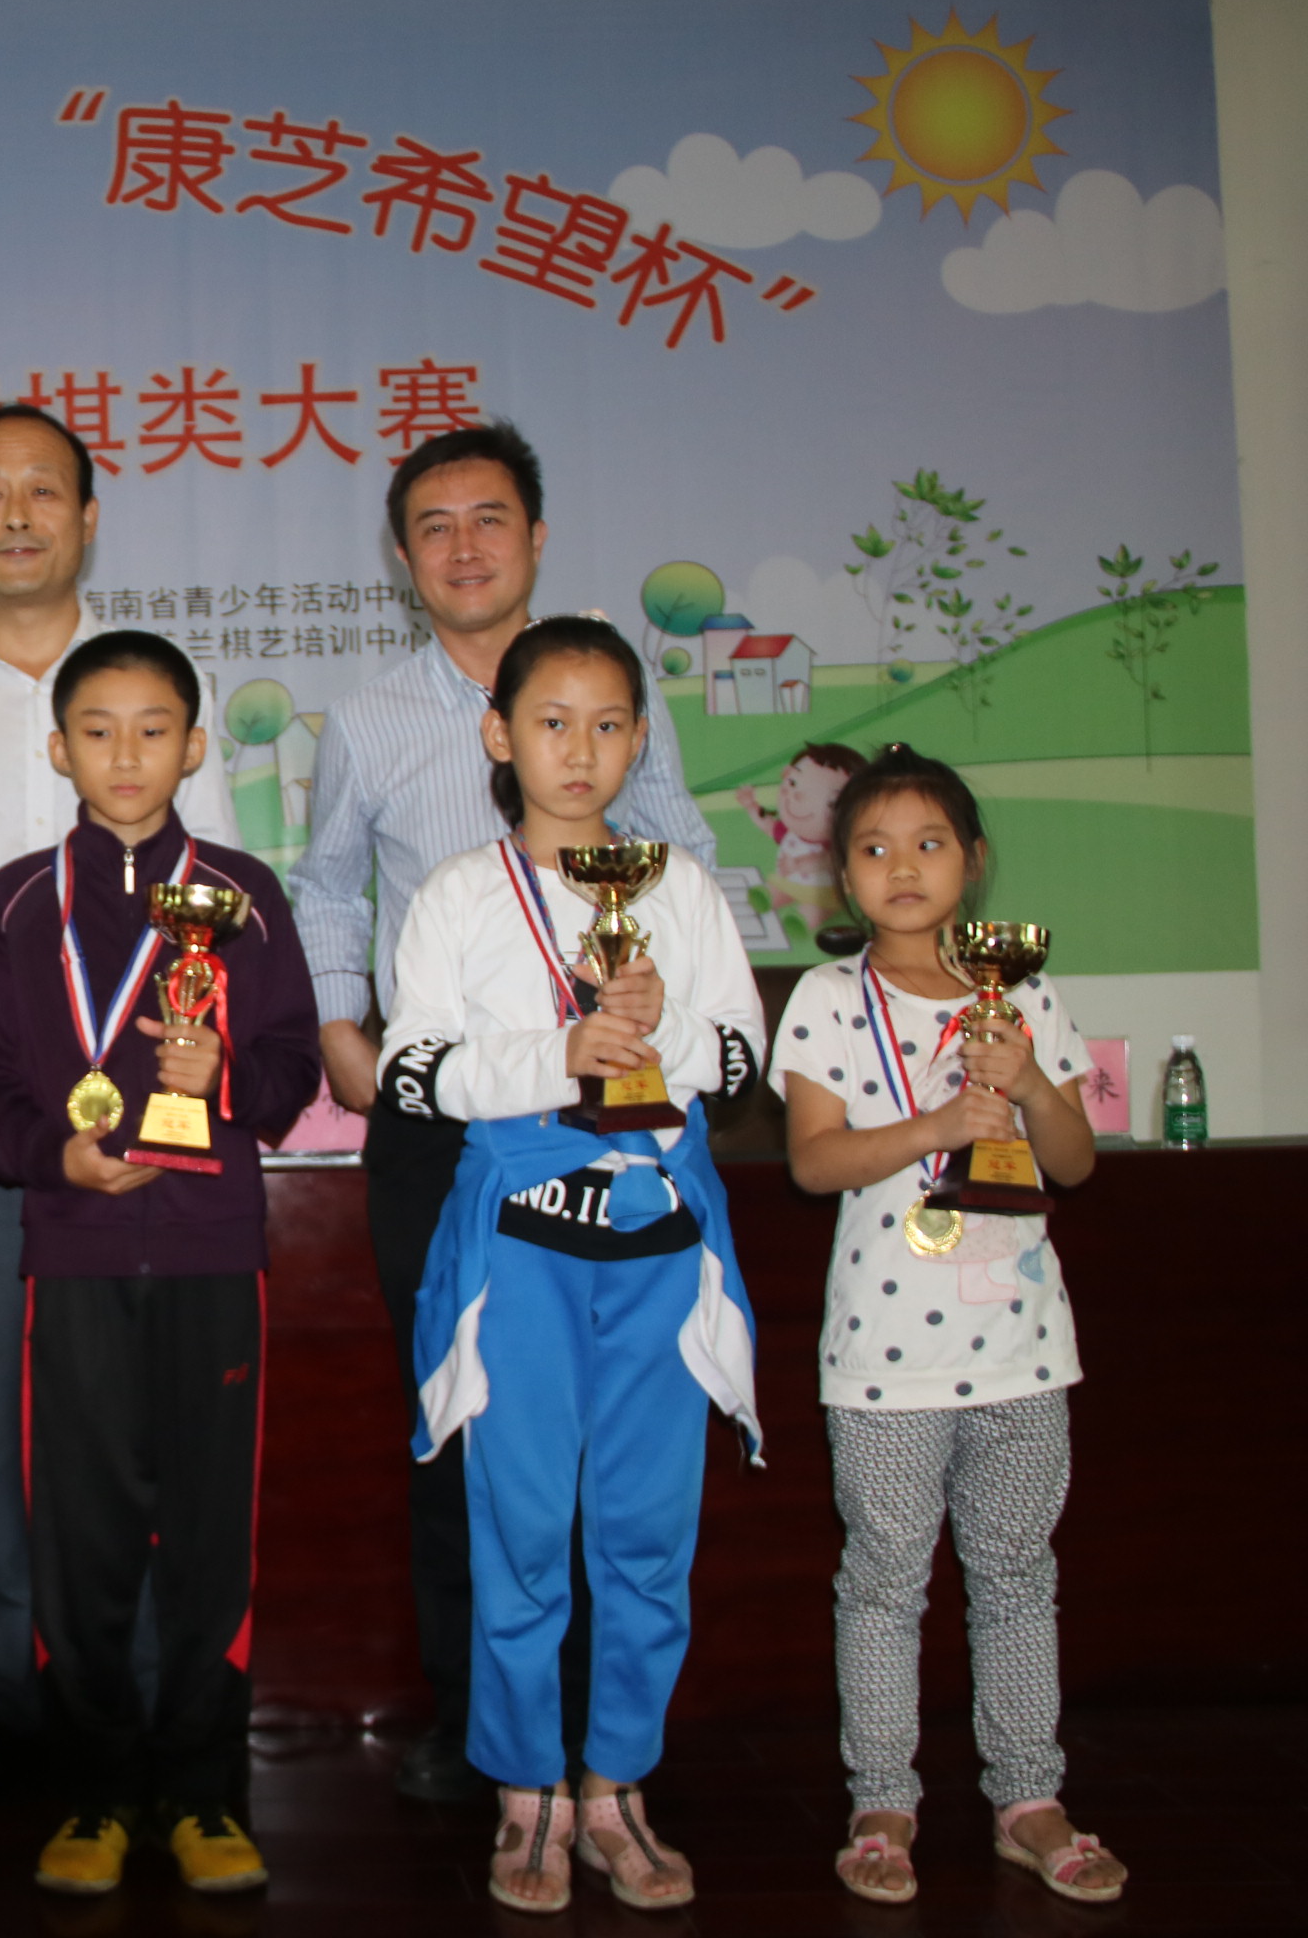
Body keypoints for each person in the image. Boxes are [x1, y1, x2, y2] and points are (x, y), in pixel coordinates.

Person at [286, 422, 717, 1804]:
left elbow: (687, 857)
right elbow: (329, 886)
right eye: (435, 525)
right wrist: (343, 1032)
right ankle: (480, 1721)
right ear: (401, 556)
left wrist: (679, 1013)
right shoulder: (367, 721)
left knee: (618, 1424)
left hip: (618, 1111)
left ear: (536, 537)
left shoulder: (612, 689)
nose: (464, 546)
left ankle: (608, 1732)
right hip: (450, 1119)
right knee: (462, 1413)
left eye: (489, 519)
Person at [0, 403, 241, 1797]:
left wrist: (189, 1057)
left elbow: (218, 879)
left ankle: (135, 1683)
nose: (18, 515)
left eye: (44, 491)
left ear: (88, 517)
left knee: (128, 1389)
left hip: (144, 1048)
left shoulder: (153, 676)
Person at [374, 616, 765, 1914]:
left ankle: (618, 1786)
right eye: (552, 722)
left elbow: (743, 1060)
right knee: (523, 1534)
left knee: (649, 1537)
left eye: (607, 725)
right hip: (525, 1254)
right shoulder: (458, 895)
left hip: (658, 1250)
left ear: (640, 739)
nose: (579, 749)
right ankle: (527, 1791)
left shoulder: (680, 890)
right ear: (500, 735)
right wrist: (564, 1055)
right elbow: (411, 1073)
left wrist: (665, 1034)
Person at [0, 632, 320, 1897]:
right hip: (74, 1256)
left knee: (212, 1536)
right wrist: (55, 1157)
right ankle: (99, 1791)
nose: (126, 754)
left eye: (154, 728)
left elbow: (292, 1074)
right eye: (98, 730)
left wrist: (226, 1078)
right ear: (58, 749)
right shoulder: (14, 903)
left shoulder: (245, 893)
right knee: (84, 1536)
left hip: (215, 1254)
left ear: (195, 746)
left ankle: (206, 1794)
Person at [777, 746, 1122, 1908]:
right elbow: (814, 1160)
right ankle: (883, 1800)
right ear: (843, 877)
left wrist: (1027, 1083)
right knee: (883, 1583)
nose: (903, 867)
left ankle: (1029, 1799)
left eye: (929, 843)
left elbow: (1073, 1162)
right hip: (885, 1361)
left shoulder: (1022, 997)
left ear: (974, 861)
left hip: (1023, 1350)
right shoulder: (829, 1000)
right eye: (873, 848)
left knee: (1018, 1575)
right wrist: (936, 1125)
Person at [739, 741, 867, 951]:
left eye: (830, 801)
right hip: (787, 882)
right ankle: (767, 898)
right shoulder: (790, 834)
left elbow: (822, 862)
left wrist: (796, 864)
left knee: (813, 910)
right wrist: (750, 805)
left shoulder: (832, 846)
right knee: (774, 891)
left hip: (823, 893)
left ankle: (801, 920)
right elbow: (767, 825)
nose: (796, 796)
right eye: (792, 783)